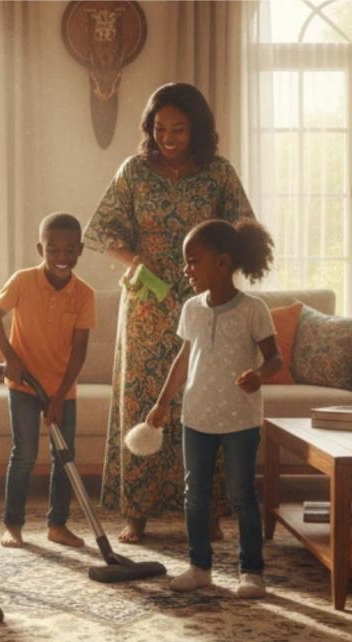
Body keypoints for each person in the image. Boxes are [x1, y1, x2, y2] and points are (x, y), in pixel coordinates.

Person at [83, 83, 255, 543]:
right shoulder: (135, 172)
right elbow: (99, 231)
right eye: (160, 129)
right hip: (148, 304)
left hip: (207, 303)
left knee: (207, 400)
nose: (169, 138)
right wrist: (134, 261)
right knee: (145, 400)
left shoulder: (219, 173)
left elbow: (244, 230)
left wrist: (224, 272)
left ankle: (211, 512)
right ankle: (136, 513)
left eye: (179, 129)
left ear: (197, 128)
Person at [147, 219, 280, 598]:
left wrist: (258, 374)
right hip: (197, 417)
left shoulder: (254, 309)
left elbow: (275, 359)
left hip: (240, 419)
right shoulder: (191, 308)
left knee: (241, 494)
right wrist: (162, 402)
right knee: (195, 495)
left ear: (222, 262)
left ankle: (251, 572)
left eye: (193, 261)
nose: (185, 269)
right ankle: (198, 566)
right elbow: (183, 358)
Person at [0, 213, 96, 550]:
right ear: (40, 248)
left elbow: (79, 350)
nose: (61, 257)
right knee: (25, 453)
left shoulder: (84, 294)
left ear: (80, 250)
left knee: (64, 456)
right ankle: (13, 525)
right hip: (23, 386)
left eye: (69, 250)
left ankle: (57, 525)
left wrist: (61, 394)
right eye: (53, 249)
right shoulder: (22, 281)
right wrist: (10, 357)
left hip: (62, 388)